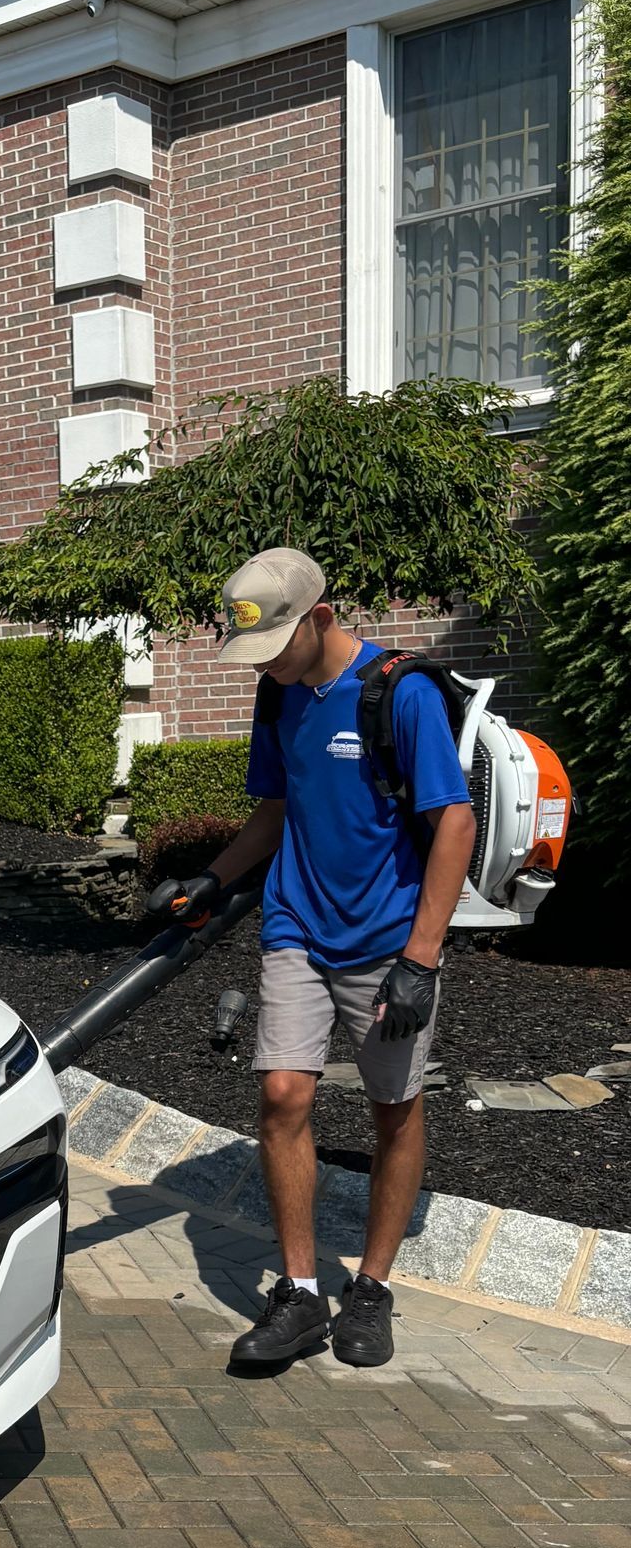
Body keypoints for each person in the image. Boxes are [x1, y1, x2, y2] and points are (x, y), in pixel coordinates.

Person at [163, 549, 477, 1371]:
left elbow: (454, 821)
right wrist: (213, 877)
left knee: (393, 1109)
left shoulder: (399, 694)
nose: (265, 667)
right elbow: (276, 809)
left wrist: (421, 957)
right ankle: (301, 1293)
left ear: (322, 618)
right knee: (281, 1094)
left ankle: (371, 1288)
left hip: (389, 938)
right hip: (296, 923)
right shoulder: (279, 693)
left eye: (276, 648)